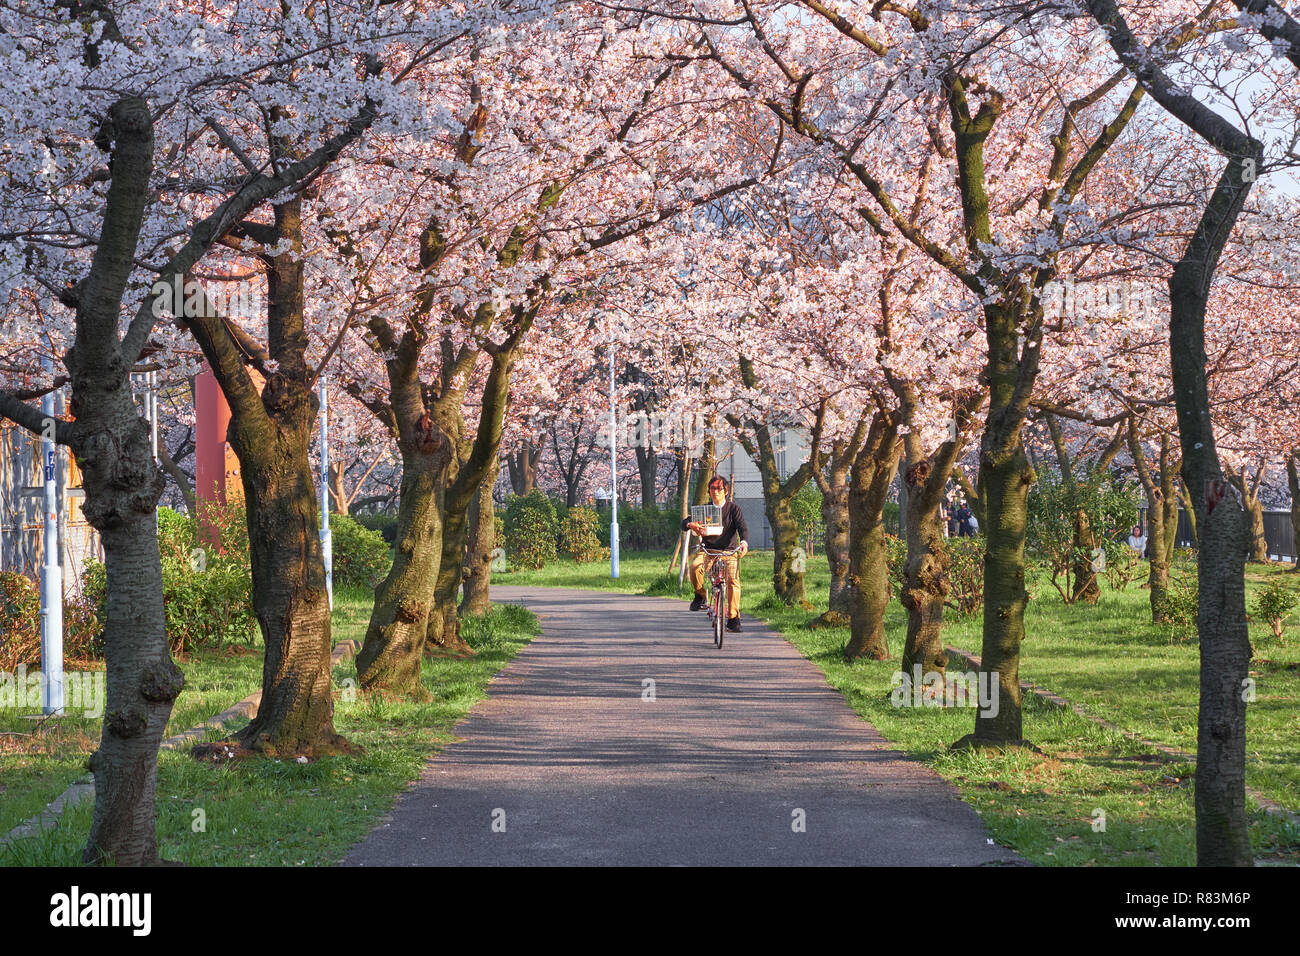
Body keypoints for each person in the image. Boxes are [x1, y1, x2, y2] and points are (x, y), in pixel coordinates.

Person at [683, 475, 749, 632]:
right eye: (712, 488)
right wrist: (690, 524)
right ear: (709, 491)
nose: (716, 491)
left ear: (726, 491)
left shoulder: (733, 509)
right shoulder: (705, 509)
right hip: (708, 551)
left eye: (719, 488)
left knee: (733, 580)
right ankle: (700, 595)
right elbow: (684, 523)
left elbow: (743, 528)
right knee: (694, 567)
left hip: (729, 552)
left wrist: (744, 543)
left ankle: (733, 618)